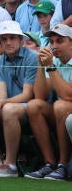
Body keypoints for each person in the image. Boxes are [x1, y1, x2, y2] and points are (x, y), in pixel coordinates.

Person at [0, 20, 37, 177]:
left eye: (12, 38)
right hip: (10, 105)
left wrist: (1, 102)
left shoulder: (32, 58)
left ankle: (10, 164)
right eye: (4, 39)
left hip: (31, 106)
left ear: (20, 40)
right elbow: (1, 92)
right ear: (0, 42)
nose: (8, 42)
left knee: (8, 109)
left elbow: (28, 94)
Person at [24, 23, 72, 180]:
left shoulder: (54, 62)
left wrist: (50, 66)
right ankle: (49, 163)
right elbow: (39, 95)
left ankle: (62, 164)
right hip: (62, 114)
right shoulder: (55, 61)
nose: (54, 45)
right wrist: (40, 65)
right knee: (34, 106)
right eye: (51, 42)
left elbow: (68, 95)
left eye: (60, 41)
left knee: (60, 105)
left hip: (67, 111)